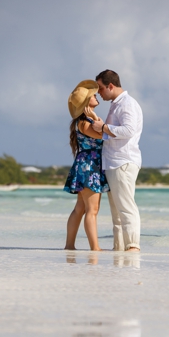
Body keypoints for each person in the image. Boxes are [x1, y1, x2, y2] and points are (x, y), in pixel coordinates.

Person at [88, 69, 143, 252]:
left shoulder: (127, 104)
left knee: (126, 207)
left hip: (123, 161)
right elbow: (112, 132)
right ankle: (119, 250)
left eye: (101, 88)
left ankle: (132, 246)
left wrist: (103, 127)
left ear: (111, 86)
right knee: (117, 213)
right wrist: (102, 126)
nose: (99, 93)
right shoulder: (116, 104)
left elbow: (129, 130)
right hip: (113, 162)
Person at [64, 80, 108, 251]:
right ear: (86, 103)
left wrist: (95, 119)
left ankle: (69, 245)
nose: (96, 96)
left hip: (85, 164)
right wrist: (97, 118)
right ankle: (95, 247)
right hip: (90, 166)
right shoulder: (85, 122)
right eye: (92, 96)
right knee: (92, 209)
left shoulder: (81, 121)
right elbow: (103, 134)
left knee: (80, 208)